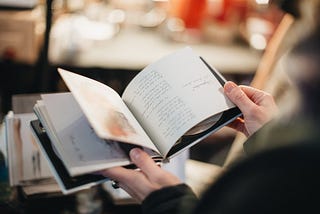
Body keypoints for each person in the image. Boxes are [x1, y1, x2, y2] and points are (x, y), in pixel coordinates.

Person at [99, 0, 320, 213]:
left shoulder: (298, 168)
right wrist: (266, 138)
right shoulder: (294, 158)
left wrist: (169, 203)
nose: (293, 65)